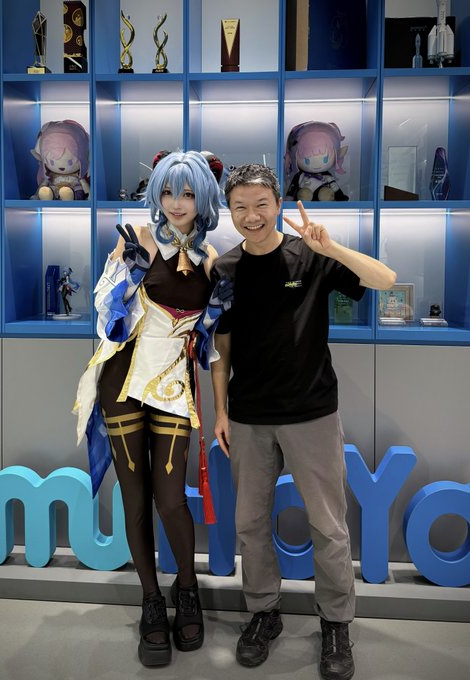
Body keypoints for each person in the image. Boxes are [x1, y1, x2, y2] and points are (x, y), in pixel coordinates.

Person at [210, 164, 396, 680]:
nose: (251, 216)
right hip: (248, 417)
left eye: (261, 205)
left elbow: (384, 280)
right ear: (230, 211)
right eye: (240, 206)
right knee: (250, 523)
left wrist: (331, 247)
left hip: (312, 412)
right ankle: (264, 613)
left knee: (328, 526)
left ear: (277, 205)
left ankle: (336, 623)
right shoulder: (225, 269)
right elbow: (221, 348)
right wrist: (220, 411)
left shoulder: (311, 255)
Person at [73, 150, 224, 667]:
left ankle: (188, 589)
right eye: (167, 191)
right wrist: (125, 283)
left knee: (171, 500)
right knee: (135, 498)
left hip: (173, 386)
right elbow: (102, 314)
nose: (177, 203)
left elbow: (211, 339)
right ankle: (151, 601)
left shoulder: (211, 257)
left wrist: (215, 317)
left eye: (188, 193)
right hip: (122, 380)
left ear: (204, 197)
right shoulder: (135, 238)